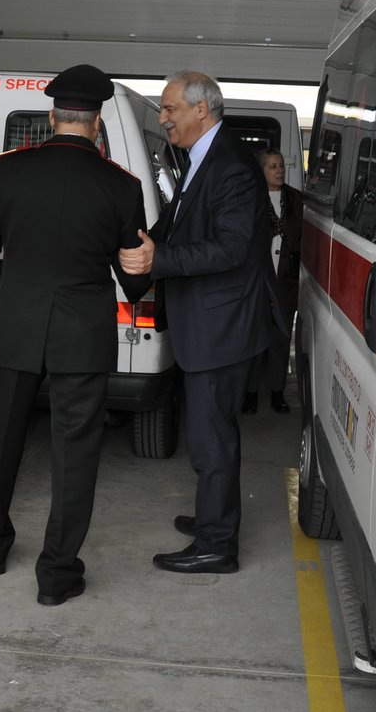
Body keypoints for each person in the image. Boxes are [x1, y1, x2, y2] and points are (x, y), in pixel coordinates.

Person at [0, 64, 149, 606]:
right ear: (98, 121)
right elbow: (134, 279)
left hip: (14, 325)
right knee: (75, 455)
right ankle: (57, 575)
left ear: (52, 116)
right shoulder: (121, 185)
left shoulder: (8, 172)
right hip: (81, 335)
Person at [119, 70, 282, 574]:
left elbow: (231, 248)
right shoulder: (203, 157)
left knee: (212, 436)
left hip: (222, 325)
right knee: (207, 431)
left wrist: (159, 260)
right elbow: (179, 221)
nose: (163, 118)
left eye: (170, 109)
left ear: (201, 111)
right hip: (211, 322)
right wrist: (143, 242)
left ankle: (217, 543)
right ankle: (214, 517)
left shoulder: (229, 165)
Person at [243, 148, 302, 415]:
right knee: (254, 340)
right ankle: (251, 393)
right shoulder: (251, 197)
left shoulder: (296, 200)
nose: (279, 170)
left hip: (285, 282)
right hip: (257, 282)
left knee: (280, 339)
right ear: (262, 170)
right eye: (273, 167)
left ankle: (277, 393)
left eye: (281, 166)